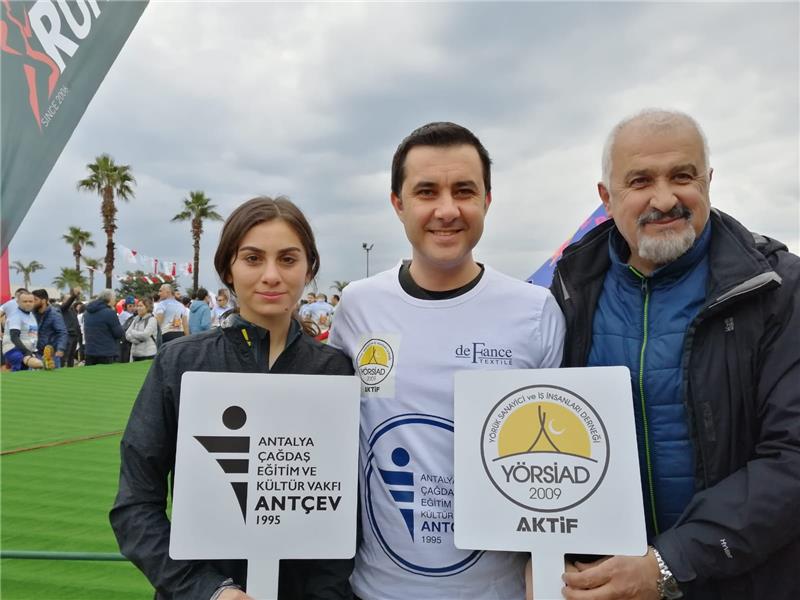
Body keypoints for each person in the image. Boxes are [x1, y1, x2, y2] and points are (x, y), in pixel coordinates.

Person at [550, 109, 800, 600]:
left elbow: (791, 456)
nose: (664, 199)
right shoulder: (565, 293)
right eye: (640, 181)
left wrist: (669, 564)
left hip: (744, 582)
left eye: (682, 177)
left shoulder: (779, 289)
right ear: (606, 197)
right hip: (603, 586)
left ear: (708, 181)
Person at [329, 122, 566, 599]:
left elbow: (558, 466)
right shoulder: (358, 306)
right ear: (398, 204)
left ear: (487, 201)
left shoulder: (534, 310)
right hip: (374, 591)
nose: (447, 210)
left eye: (464, 191)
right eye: (426, 192)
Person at [110, 196, 356, 600]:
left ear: (309, 269)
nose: (271, 276)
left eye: (288, 259)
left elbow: (348, 517)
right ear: (228, 268)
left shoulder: (336, 371)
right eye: (253, 259)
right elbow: (135, 505)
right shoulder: (181, 363)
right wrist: (208, 590)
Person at [2, 290, 45, 371]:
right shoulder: (16, 316)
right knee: (37, 364)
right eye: (25, 301)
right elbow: (14, 337)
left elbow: (32, 335)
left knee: (40, 368)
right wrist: (26, 352)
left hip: (28, 350)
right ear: (18, 302)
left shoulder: (31, 315)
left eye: (30, 301)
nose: (28, 303)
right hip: (14, 350)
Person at [83, 289, 125, 365]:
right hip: (106, 352)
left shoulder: (87, 312)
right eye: (114, 299)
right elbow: (118, 333)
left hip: (90, 351)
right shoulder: (109, 313)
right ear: (110, 299)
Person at [32, 289, 68, 369]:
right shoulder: (32, 314)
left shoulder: (54, 314)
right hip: (35, 353)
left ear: (43, 300)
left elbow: (62, 332)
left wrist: (60, 348)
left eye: (35, 299)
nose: (33, 302)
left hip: (51, 354)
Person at [60, 287, 82, 367]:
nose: (71, 301)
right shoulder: (62, 309)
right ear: (63, 301)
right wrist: (73, 296)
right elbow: (67, 304)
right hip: (68, 335)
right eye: (68, 299)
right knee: (64, 357)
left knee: (71, 357)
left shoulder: (72, 310)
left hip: (74, 336)